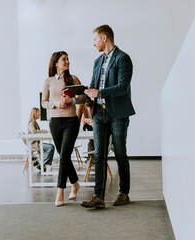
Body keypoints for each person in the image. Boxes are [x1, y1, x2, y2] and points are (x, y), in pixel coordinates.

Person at [81, 24, 135, 209]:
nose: (93, 43)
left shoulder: (123, 59)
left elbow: (122, 87)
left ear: (104, 38)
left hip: (118, 113)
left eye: (95, 39)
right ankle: (98, 196)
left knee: (120, 152)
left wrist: (100, 92)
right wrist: (87, 96)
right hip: (99, 113)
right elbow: (94, 85)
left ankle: (124, 193)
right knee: (99, 154)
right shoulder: (97, 62)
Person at [42, 51, 86, 207]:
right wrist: (55, 104)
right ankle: (75, 183)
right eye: (64, 60)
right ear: (56, 63)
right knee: (64, 156)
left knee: (64, 155)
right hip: (55, 122)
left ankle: (60, 190)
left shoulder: (73, 79)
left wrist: (71, 100)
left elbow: (84, 97)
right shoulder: (48, 80)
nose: (67, 62)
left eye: (68, 59)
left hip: (71, 122)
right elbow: (44, 102)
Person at [28, 107, 55, 171]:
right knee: (50, 148)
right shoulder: (31, 123)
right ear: (35, 114)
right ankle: (38, 161)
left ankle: (42, 164)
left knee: (51, 147)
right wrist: (45, 131)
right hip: (34, 144)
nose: (40, 115)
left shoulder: (34, 122)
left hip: (37, 143)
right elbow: (34, 131)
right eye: (38, 113)